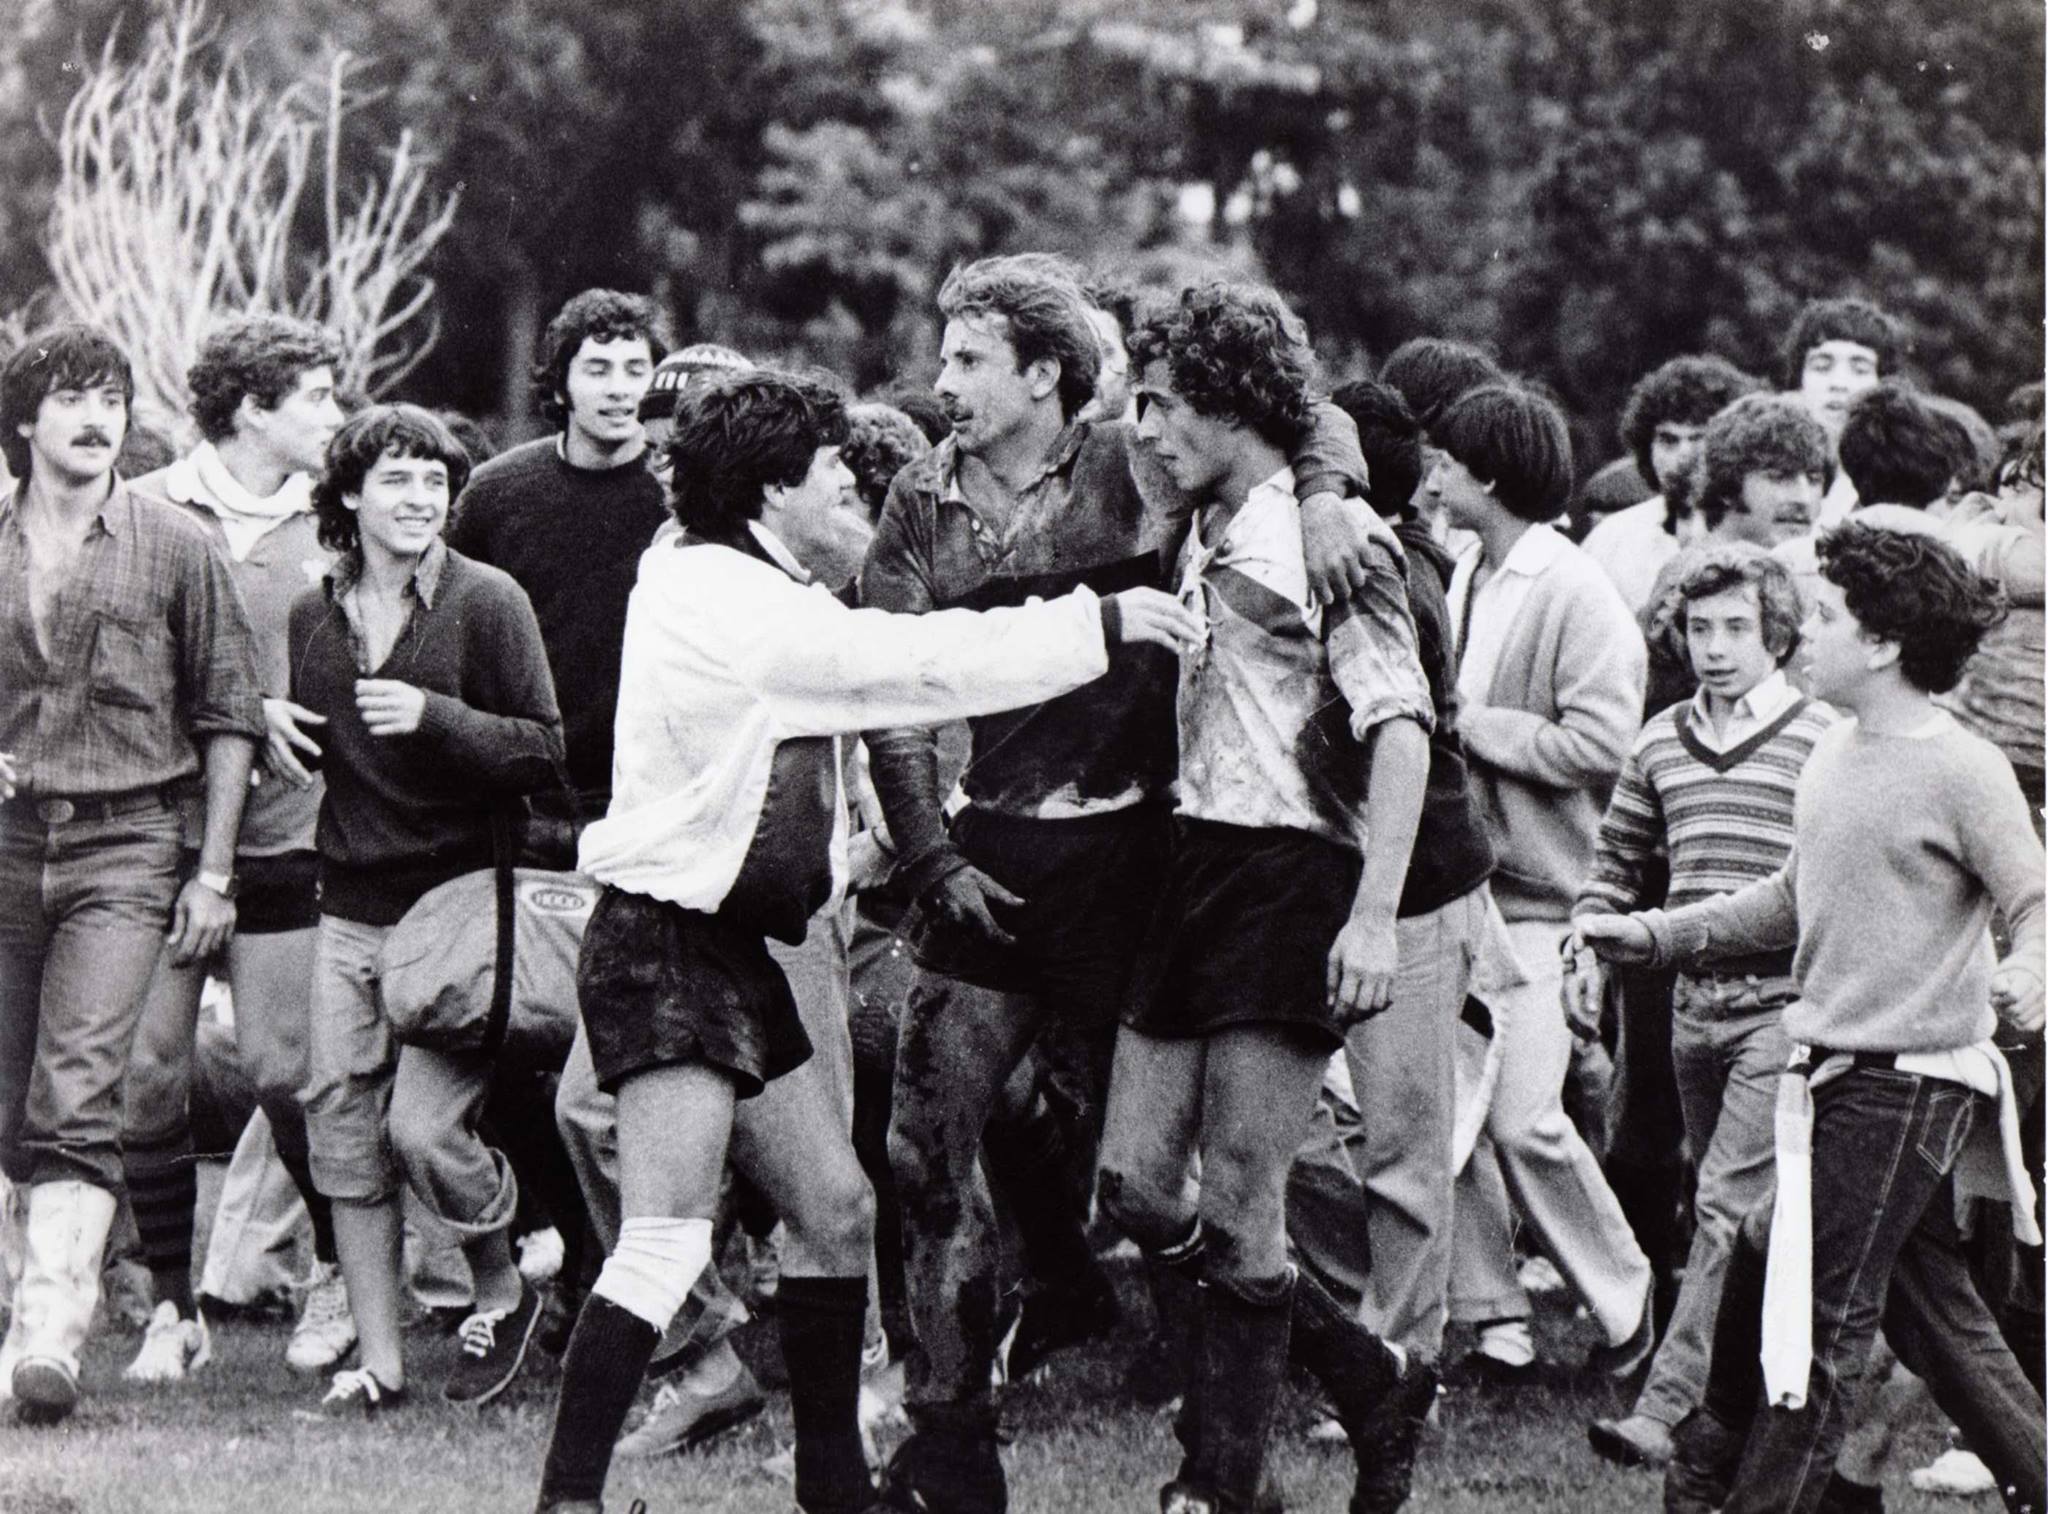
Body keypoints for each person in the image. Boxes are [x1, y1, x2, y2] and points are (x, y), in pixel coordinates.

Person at [529, 368, 1201, 1514]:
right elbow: (916, 661)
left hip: (730, 948)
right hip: (668, 950)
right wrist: (1096, 620)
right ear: (772, 488)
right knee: (663, 1241)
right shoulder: (733, 608)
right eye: (835, 476)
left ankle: (832, 1488)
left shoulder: (733, 577)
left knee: (836, 1209)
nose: (855, 492)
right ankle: (569, 1501)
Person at [860, 253, 1384, 1513]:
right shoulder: (918, 507)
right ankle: (951, 1453)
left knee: (1155, 1188)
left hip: (1138, 857)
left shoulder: (1128, 458)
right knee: (920, 1149)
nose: (942, 385)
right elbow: (889, 699)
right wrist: (932, 857)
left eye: (968, 360)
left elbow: (1300, 410)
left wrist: (1324, 496)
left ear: (1044, 373)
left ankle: (1310, 1395)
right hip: (986, 853)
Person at [1577, 521, 2045, 1514]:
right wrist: (1659, 935)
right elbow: (1793, 894)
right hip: (1829, 1067)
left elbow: (2032, 897)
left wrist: (2032, 971)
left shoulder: (1961, 767)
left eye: (1823, 614)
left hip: (1904, 1084)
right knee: (1931, 1319)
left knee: (1811, 1321)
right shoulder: (1833, 749)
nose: (1798, 633)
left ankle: (1725, 1490)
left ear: (1879, 644)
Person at [1095, 287, 1436, 1514]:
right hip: (1189, 862)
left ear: (1236, 409)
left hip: (1291, 872)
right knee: (1135, 1182)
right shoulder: (1202, 518)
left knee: (1244, 1196)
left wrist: (1370, 917)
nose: (1145, 428)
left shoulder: (1323, 538)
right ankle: (1366, 1371)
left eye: (1167, 405)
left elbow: (1401, 730)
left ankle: (1220, 1483)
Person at [453, 292, 770, 1446]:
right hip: (538, 806)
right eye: (599, 364)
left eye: (637, 364)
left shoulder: (686, 500)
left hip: (668, 820)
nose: (621, 384)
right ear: (561, 377)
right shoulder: (501, 492)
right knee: (540, 1069)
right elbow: (456, 614)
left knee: (626, 1090)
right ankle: (615, 1298)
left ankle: (702, 1331)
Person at [0, 325, 264, 1423]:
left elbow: (230, 715)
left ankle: (47, 1335)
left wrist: (211, 873)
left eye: (108, 394)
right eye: (69, 396)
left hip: (130, 842)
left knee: (79, 1082)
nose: (94, 413)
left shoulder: (173, 541)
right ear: (24, 421)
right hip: (9, 840)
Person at [286, 403, 566, 1412]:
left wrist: (439, 717)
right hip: (350, 906)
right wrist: (281, 716)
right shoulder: (311, 614)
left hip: (457, 911)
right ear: (352, 495)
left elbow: (545, 747)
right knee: (343, 1129)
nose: (420, 499)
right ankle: (382, 1360)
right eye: (397, 480)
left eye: (434, 482)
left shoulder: (488, 601)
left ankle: (499, 1279)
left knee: (421, 1129)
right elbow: (317, 728)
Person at [117, 315, 353, 1383]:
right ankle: (172, 1309)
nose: (335, 417)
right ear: (253, 408)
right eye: (317, 398)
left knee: (282, 1070)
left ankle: (345, 1275)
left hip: (293, 835)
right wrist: (241, 708)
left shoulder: (339, 519)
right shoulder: (150, 511)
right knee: (149, 1071)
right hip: (163, 834)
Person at [1567, 545, 1836, 1469]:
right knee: (1724, 1205)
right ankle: (1755, 1399)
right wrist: (1586, 948)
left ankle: (1665, 1409)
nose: (1715, 648)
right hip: (1689, 1010)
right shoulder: (1659, 740)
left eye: (1736, 628)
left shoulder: (1822, 738)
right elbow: (1611, 867)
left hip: (1783, 1008)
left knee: (1725, 1201)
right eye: (1698, 628)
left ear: (1779, 633)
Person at [1432, 382, 1654, 1381]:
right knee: (1453, 1117)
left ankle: (1627, 1303)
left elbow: (1604, 741)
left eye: (1445, 459)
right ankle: (1495, 1321)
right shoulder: (1466, 566)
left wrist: (1479, 730)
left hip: (1543, 894)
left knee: (1523, 1112)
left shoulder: (1572, 589)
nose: (1429, 473)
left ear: (1488, 474)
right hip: (1465, 888)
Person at [1293, 379, 1499, 1391]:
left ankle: (1401, 1360)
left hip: (1411, 884)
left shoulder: (1381, 571)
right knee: (1313, 1133)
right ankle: (1360, 1325)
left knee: (1402, 1141)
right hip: (1335, 876)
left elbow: (1397, 739)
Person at [1582, 356, 1763, 613]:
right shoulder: (1612, 540)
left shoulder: (1762, 531)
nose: (1684, 456)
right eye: (1669, 440)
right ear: (1647, 447)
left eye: (1699, 438)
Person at [1779, 296, 1904, 526]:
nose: (1839, 383)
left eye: (1859, 369)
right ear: (1799, 380)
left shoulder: (1896, 482)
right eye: (1822, 367)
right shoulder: (1769, 471)